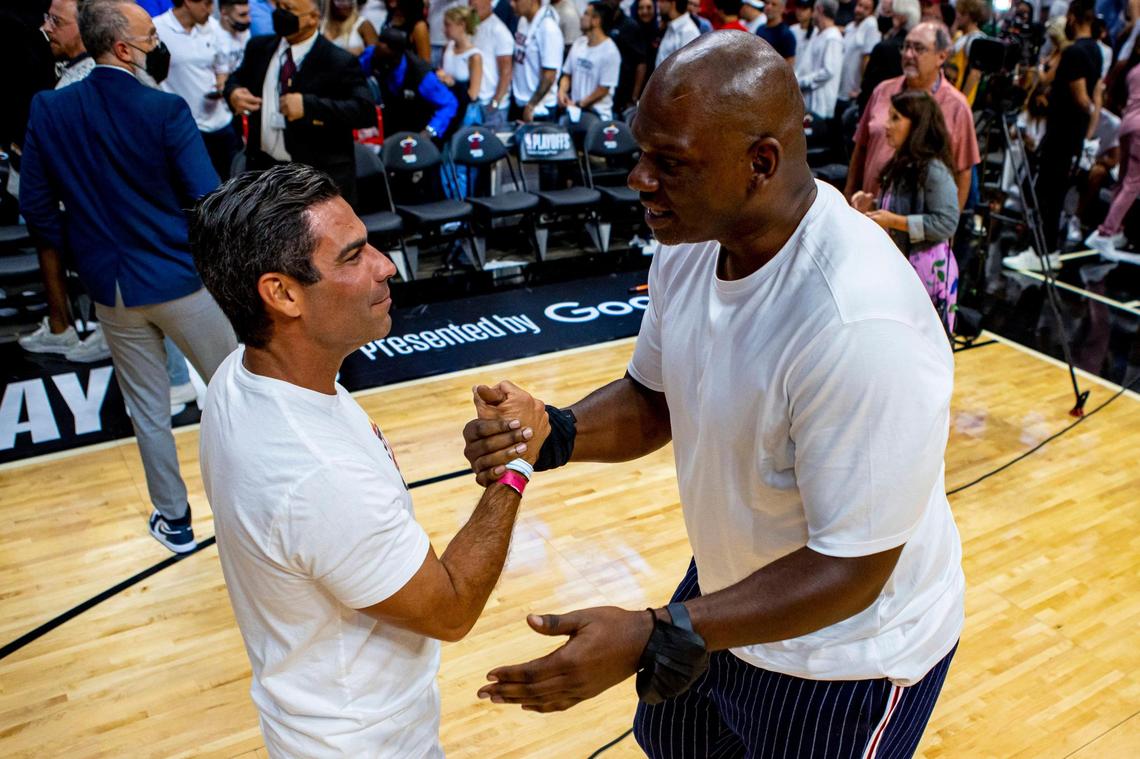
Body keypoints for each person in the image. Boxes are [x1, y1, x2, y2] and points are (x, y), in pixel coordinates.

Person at [465, 32, 962, 757]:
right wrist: (556, 431)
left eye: (668, 163)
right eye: (641, 153)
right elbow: (655, 396)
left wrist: (661, 630)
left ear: (760, 163)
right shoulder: (692, 238)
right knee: (671, 739)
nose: (638, 179)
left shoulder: (857, 319)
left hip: (848, 650)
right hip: (736, 586)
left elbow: (854, 565)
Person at [192, 163, 546, 757]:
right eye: (353, 257)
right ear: (282, 294)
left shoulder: (243, 374)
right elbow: (451, 608)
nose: (386, 265)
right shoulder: (313, 472)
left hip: (319, 719)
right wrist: (516, 465)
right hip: (365, 741)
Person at [20, 0, 238, 554]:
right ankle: (257, 507)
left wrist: (81, 255)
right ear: (121, 48)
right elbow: (209, 199)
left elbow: (37, 206)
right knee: (240, 390)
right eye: (147, 37)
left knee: (148, 410)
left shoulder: (49, 109)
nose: (154, 45)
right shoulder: (164, 110)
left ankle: (176, 522)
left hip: (110, 287)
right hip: (180, 278)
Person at [224, 0, 376, 205]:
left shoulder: (338, 60)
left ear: (313, 18)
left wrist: (309, 106)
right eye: (279, 6)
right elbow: (236, 79)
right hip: (264, 170)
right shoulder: (259, 47)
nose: (280, 13)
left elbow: (364, 111)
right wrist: (233, 93)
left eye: (289, 10)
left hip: (316, 176)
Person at [852, 90, 961, 330]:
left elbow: (946, 222)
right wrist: (872, 206)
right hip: (904, 267)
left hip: (928, 273)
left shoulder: (934, 170)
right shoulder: (902, 163)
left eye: (895, 118)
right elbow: (898, 213)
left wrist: (893, 220)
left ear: (917, 126)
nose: (886, 125)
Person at [847, 21, 980, 209]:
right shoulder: (883, 91)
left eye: (919, 49)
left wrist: (946, 228)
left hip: (919, 230)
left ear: (941, 56)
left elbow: (963, 172)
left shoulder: (957, 106)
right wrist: (848, 198)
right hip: (869, 218)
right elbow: (860, 148)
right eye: (906, 47)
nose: (909, 55)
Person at [1034, 0, 1103, 254]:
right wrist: (1088, 129)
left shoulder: (1074, 53)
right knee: (1055, 194)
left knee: (1048, 193)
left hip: (1061, 135)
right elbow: (1096, 98)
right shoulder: (1095, 50)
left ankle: (1042, 250)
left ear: (1072, 17)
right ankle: (1046, 249)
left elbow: (1084, 98)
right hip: (1073, 136)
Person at [156, 0, 243, 180]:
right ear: (187, 3)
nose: (211, 10)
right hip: (187, 128)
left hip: (221, 122)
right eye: (207, 4)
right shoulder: (158, 29)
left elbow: (221, 68)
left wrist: (222, 87)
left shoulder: (213, 28)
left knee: (233, 183)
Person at [1085, 42, 1140, 262]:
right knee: (1133, 183)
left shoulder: (1133, 70)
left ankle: (1112, 229)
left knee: (1124, 179)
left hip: (1126, 125)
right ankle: (1107, 231)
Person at [370, 28, 459, 136]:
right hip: (391, 122)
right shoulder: (373, 55)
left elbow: (449, 103)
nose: (380, 63)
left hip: (418, 128)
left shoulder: (422, 76)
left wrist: (430, 131)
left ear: (396, 55)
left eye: (384, 58)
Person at [559, 1, 622, 119]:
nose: (582, 17)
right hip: (574, 112)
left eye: (586, 14)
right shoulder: (579, 43)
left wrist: (580, 104)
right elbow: (567, 75)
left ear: (596, 20)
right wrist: (562, 93)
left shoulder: (610, 52)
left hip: (597, 115)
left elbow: (603, 89)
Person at [858, 0, 919, 111]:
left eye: (889, 12)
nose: (884, 15)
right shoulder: (917, 50)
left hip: (876, 109)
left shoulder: (885, 48)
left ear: (901, 17)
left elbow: (868, 88)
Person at [510, 0, 564, 122]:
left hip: (539, 107)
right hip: (520, 100)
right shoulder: (523, 21)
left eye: (516, 0)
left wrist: (531, 105)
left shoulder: (548, 28)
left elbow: (550, 74)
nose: (512, 4)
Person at [438, 4, 484, 125]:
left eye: (448, 25)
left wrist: (453, 84)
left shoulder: (474, 56)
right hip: (446, 108)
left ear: (461, 25)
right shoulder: (447, 48)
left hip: (463, 114)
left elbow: (473, 95)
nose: (444, 30)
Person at [470, 0, 514, 126]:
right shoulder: (475, 26)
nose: (472, 3)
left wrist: (496, 101)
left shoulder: (500, 31)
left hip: (493, 105)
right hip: (477, 101)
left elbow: (506, 71)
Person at [798, 0, 844, 118]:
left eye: (813, 10)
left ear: (820, 9)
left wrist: (803, 81)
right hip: (806, 103)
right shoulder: (816, 33)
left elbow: (828, 71)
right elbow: (805, 62)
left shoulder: (833, 38)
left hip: (820, 107)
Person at [838, 0, 881, 111]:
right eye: (859, 5)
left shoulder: (870, 24)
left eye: (866, 8)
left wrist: (862, 89)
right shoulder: (850, 26)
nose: (860, 10)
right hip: (841, 89)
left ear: (872, 12)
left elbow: (868, 59)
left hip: (854, 92)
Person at [215, 0, 252, 82]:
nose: (249, 19)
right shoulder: (214, 36)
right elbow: (221, 79)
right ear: (224, 14)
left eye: (248, 13)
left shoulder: (245, 33)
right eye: (242, 15)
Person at [656, 0, 699, 68]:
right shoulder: (670, 25)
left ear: (673, 3)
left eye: (662, 1)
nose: (658, 5)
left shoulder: (688, 31)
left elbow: (688, 69)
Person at [756, 0, 797, 66]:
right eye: (767, 3)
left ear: (782, 8)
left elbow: (789, 65)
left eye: (774, 4)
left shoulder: (787, 35)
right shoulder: (760, 29)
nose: (769, 7)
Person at [792, 1, 815, 79]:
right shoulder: (792, 30)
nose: (800, 11)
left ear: (812, 12)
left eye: (804, 9)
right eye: (798, 8)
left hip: (807, 79)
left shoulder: (816, 33)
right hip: (793, 76)